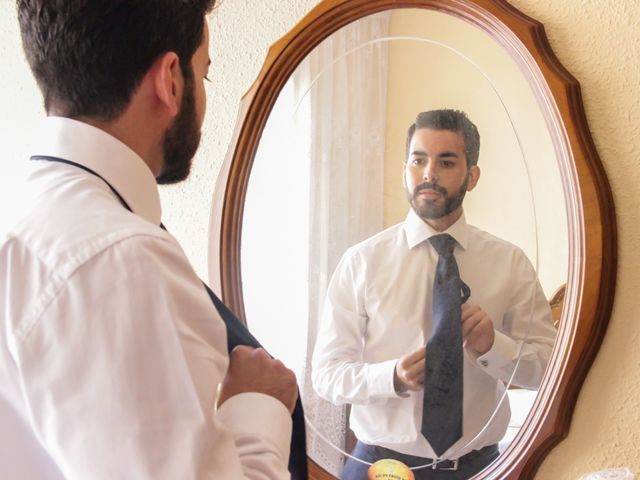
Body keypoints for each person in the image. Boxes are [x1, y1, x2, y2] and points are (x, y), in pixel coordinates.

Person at [0, 1, 305, 479]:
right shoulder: (120, 260)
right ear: (169, 79)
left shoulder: (25, 220)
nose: (202, 95)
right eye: (204, 74)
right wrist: (259, 405)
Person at [311, 110, 557, 479]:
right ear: (405, 170)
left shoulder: (510, 263)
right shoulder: (362, 262)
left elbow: (549, 369)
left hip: (481, 467)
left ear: (472, 176)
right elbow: (326, 375)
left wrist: (494, 346)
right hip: (381, 465)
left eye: (446, 161)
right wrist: (391, 376)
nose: (429, 173)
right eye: (418, 160)